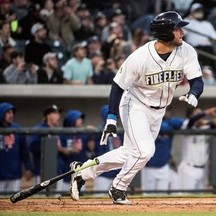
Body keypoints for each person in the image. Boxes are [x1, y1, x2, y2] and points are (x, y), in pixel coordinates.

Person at [69, 11, 204, 205]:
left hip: (159, 111)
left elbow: (197, 81)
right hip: (136, 105)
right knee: (145, 151)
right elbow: (117, 86)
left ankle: (83, 172)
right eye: (177, 29)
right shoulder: (140, 57)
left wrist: (194, 94)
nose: (182, 32)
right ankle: (119, 188)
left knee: (130, 153)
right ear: (166, 33)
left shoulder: (187, 51)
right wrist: (111, 118)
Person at [178, 106, 216, 192]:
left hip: (202, 169)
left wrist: (211, 120)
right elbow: (192, 120)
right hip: (188, 169)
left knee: (199, 199)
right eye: (197, 114)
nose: (200, 116)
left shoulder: (204, 127)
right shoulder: (187, 125)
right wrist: (208, 111)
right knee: (185, 199)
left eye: (201, 113)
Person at [141, 107, 184, 194]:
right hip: (149, 167)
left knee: (162, 196)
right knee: (147, 196)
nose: (166, 113)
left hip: (163, 166)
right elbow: (162, 127)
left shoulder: (171, 123)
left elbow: (181, 122)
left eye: (167, 111)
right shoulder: (149, 121)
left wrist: (169, 123)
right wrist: (168, 126)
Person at [0, 102, 32, 192]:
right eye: (8, 112)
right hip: (0, 173)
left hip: (14, 173)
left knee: (13, 200)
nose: (11, 115)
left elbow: (24, 150)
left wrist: (28, 167)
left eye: (12, 112)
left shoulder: (17, 128)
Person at [29, 104, 62, 184]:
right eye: (56, 113)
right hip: (42, 172)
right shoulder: (39, 129)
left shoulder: (55, 131)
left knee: (56, 196)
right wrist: (50, 146)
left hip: (56, 171)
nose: (59, 116)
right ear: (48, 115)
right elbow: (33, 147)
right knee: (41, 196)